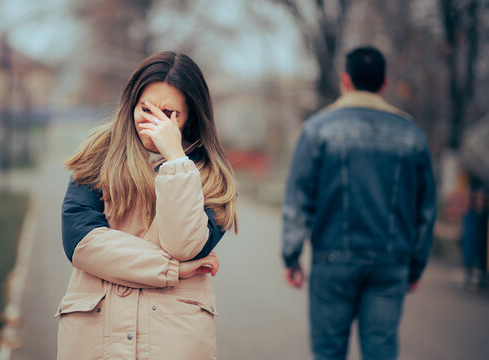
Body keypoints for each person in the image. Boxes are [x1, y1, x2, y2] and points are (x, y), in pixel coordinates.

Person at [55, 51, 237, 360]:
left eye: (168, 113)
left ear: (190, 115)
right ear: (132, 103)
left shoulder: (211, 176)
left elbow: (184, 247)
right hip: (96, 332)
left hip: (173, 338)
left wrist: (177, 161)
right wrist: (172, 270)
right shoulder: (98, 154)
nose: (154, 120)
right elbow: (81, 243)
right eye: (146, 108)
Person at [281, 46, 436, 360]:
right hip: (391, 264)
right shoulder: (412, 136)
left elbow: (298, 197)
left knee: (328, 352)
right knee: (381, 351)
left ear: (345, 80)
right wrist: (416, 265)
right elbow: (426, 209)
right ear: (384, 84)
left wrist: (292, 255)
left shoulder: (317, 130)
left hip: (331, 260)